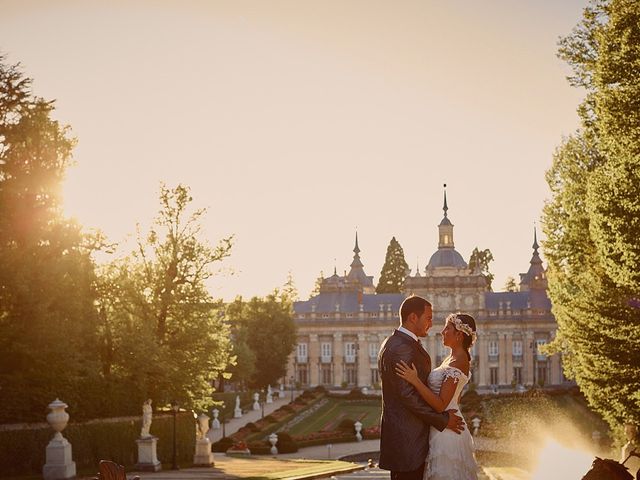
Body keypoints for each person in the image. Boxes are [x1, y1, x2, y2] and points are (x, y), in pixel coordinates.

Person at [378, 295, 465, 480]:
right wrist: (442, 420)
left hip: (407, 442)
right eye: (428, 318)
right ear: (412, 318)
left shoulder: (395, 342)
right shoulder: (402, 347)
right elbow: (408, 396)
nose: (431, 324)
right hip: (409, 443)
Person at [395, 312, 479, 480]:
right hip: (444, 425)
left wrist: (415, 380)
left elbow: (440, 405)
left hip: (447, 432)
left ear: (459, 335)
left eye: (447, 328)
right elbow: (456, 398)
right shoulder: (452, 359)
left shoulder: (458, 361)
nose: (442, 331)